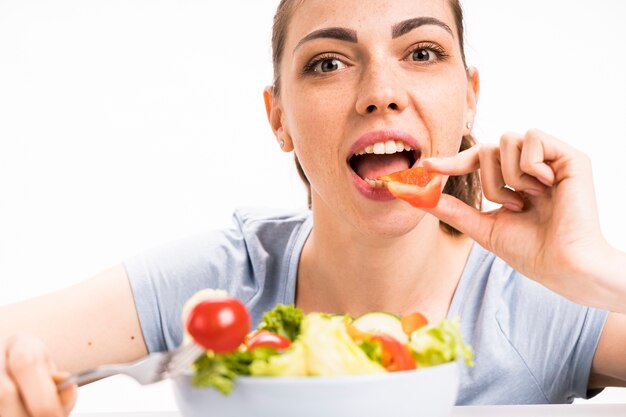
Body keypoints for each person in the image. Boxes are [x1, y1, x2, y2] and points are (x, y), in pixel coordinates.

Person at [1, 0, 626, 415]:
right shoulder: (222, 287)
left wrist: (598, 272)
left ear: (469, 98)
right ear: (280, 120)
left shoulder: (541, 299)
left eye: (423, 52)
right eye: (328, 63)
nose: (381, 93)